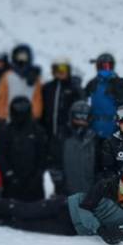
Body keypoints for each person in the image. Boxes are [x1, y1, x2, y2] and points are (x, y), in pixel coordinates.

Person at [0, 161, 123, 244]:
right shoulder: (106, 185)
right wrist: (100, 229)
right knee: (25, 211)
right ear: (120, 177)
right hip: (66, 206)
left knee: (27, 225)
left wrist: (122, 234)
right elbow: (85, 208)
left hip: (73, 229)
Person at [40, 57, 84, 192]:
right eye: (56, 69)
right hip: (51, 135)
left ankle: (69, 197)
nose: (60, 72)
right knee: (55, 170)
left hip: (69, 137)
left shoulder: (73, 88)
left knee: (70, 169)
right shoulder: (48, 88)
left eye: (63, 69)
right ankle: (58, 195)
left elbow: (82, 108)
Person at [0, 96, 48, 201]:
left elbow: (43, 155)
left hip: (34, 182)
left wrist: (37, 175)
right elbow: (1, 155)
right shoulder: (6, 131)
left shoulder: (38, 131)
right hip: (12, 181)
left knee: (35, 212)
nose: (21, 115)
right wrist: (9, 174)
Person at [84, 52, 123, 139]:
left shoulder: (118, 83)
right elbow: (81, 100)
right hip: (95, 128)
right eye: (102, 66)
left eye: (108, 66)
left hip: (113, 128)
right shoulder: (93, 83)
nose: (105, 69)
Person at [58, 101, 99, 196]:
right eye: (78, 116)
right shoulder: (62, 137)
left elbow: (100, 169)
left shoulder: (96, 140)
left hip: (89, 194)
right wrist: (59, 186)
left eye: (84, 116)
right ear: (71, 116)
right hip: (66, 194)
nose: (80, 120)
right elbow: (55, 164)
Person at [0, 44, 43, 124]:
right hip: (10, 118)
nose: (22, 60)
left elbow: (37, 97)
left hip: (29, 119)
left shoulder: (35, 77)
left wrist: (36, 115)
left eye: (24, 57)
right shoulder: (8, 75)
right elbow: (2, 97)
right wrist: (1, 116)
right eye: (19, 57)